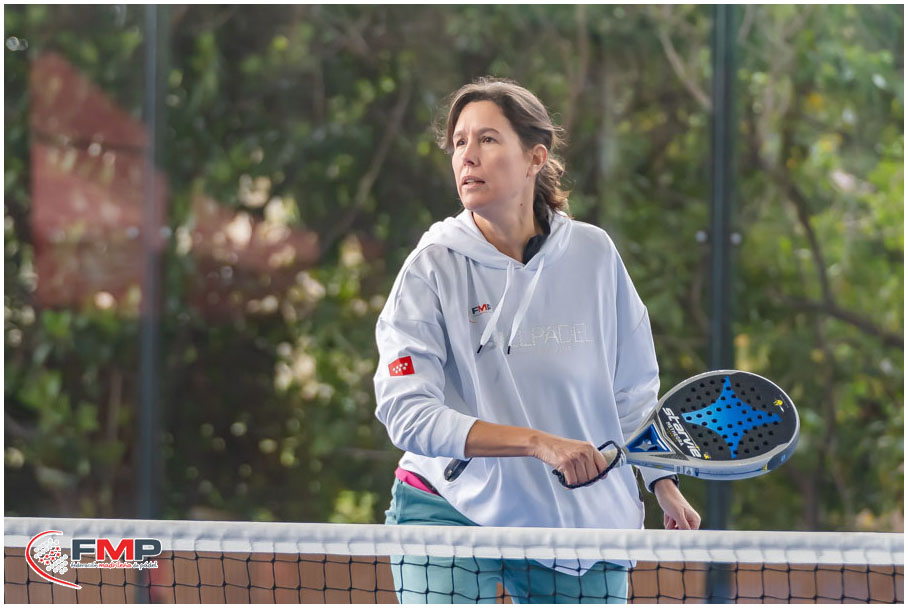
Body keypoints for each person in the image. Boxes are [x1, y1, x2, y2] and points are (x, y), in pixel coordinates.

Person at [373, 77, 701, 604]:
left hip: (578, 523)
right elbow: (406, 412)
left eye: (487, 139)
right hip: (448, 506)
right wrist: (536, 442)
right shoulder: (430, 268)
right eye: (459, 142)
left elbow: (633, 389)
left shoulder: (595, 256)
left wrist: (662, 481)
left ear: (535, 158)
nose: (467, 156)